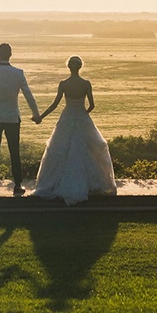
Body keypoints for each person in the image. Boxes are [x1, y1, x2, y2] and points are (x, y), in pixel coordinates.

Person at [33, 55, 116, 205]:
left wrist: (40, 117)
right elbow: (92, 105)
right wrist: (83, 114)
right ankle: (90, 183)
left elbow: (54, 105)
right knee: (89, 149)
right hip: (82, 117)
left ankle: (60, 182)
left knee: (61, 149)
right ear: (80, 67)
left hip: (67, 117)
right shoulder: (86, 84)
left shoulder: (64, 84)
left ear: (69, 67)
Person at [0, 42, 40, 197]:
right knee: (14, 152)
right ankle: (17, 185)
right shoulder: (18, 73)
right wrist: (36, 113)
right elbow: (29, 96)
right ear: (10, 54)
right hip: (12, 117)